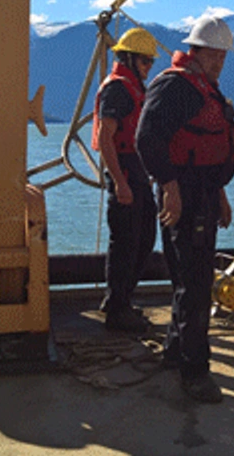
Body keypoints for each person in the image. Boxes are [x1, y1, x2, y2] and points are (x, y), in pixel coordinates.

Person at [136, 16, 234, 403]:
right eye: (214, 55)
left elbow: (210, 153)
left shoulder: (204, 89)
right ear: (196, 52)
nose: (219, 63)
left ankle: (174, 350)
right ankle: (195, 372)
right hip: (183, 196)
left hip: (202, 195)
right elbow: (147, 138)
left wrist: (219, 195)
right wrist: (169, 188)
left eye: (223, 56)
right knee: (197, 286)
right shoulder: (175, 87)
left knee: (190, 279)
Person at [90, 28, 160, 332]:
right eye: (145, 62)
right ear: (129, 59)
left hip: (138, 172)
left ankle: (120, 300)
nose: (148, 68)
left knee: (143, 240)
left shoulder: (134, 87)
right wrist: (119, 182)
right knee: (126, 244)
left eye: (150, 63)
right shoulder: (117, 89)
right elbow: (107, 139)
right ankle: (118, 312)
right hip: (127, 171)